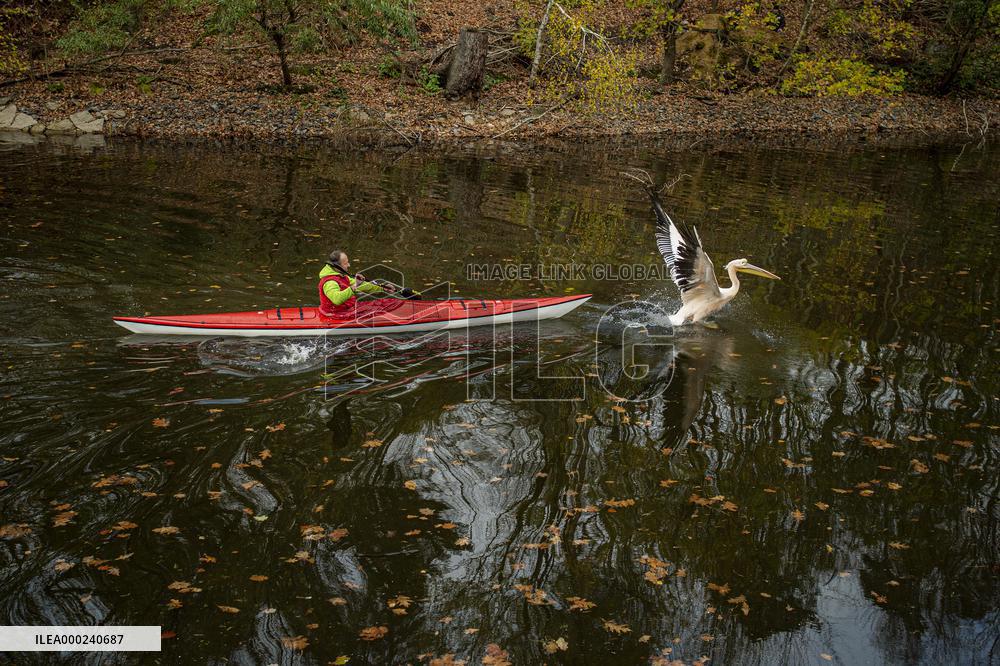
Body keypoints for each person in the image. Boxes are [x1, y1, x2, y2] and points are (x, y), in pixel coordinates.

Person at [318, 250, 417, 318]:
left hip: (347, 310)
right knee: (382, 307)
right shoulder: (330, 282)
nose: (349, 265)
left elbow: (364, 286)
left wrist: (382, 288)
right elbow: (337, 299)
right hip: (336, 315)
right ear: (337, 266)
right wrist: (355, 286)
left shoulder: (341, 276)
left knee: (385, 302)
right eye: (345, 263)